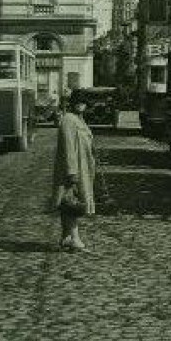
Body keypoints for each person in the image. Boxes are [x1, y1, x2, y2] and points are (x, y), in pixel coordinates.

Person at [52, 93, 99, 251]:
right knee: (71, 202)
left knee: (68, 202)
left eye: (83, 102)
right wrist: (71, 172)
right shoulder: (68, 120)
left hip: (83, 166)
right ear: (72, 104)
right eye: (77, 102)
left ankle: (66, 237)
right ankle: (75, 238)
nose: (81, 105)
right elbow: (68, 147)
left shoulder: (80, 120)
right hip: (72, 168)